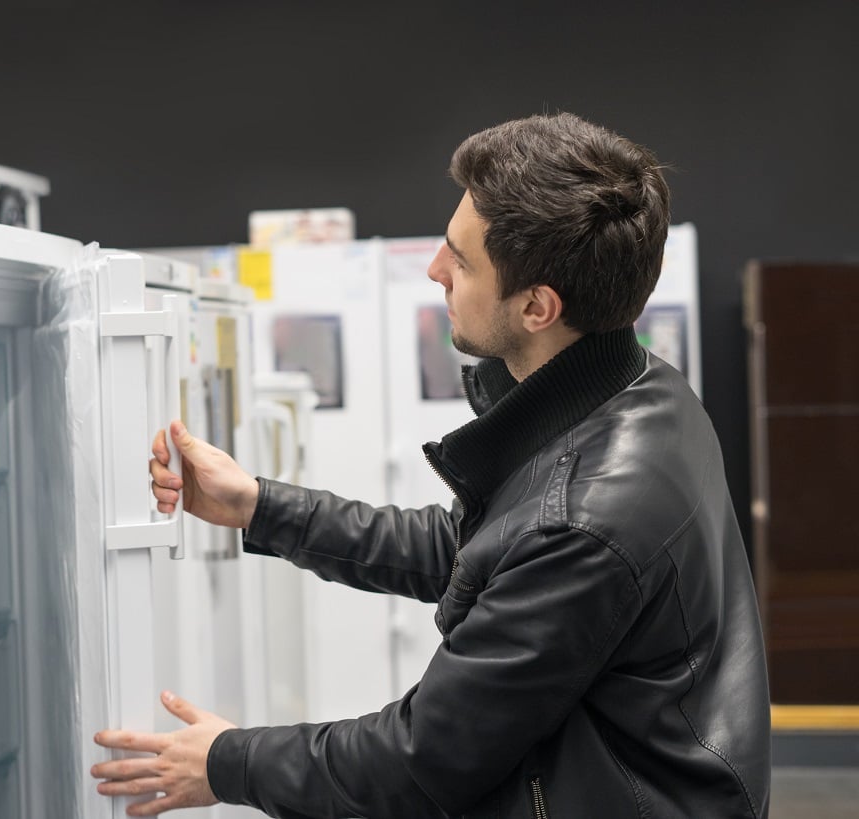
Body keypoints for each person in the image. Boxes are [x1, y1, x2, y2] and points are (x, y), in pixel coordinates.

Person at [90, 112, 771, 818]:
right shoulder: (639, 388)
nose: (434, 269)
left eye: (461, 259)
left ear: (538, 306)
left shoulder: (585, 516)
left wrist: (225, 760)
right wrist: (256, 505)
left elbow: (423, 758)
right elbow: (476, 552)